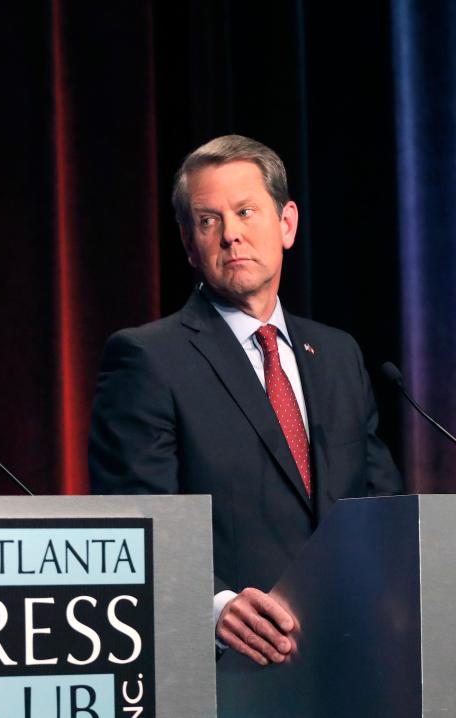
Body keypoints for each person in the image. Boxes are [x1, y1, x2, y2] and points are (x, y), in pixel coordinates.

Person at [88, 134, 402, 667]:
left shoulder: (337, 353)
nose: (231, 234)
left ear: (286, 224)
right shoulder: (147, 358)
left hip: (355, 660)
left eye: (245, 211)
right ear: (189, 244)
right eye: (209, 220)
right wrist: (214, 608)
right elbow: (135, 523)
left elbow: (382, 504)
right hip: (231, 670)